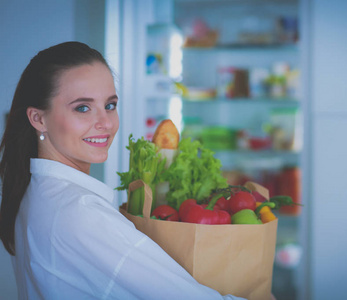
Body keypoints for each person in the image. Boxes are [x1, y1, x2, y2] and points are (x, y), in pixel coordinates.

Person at [0, 41, 245, 300]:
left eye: (110, 105)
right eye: (82, 108)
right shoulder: (82, 214)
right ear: (39, 119)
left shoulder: (36, 192)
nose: (106, 123)